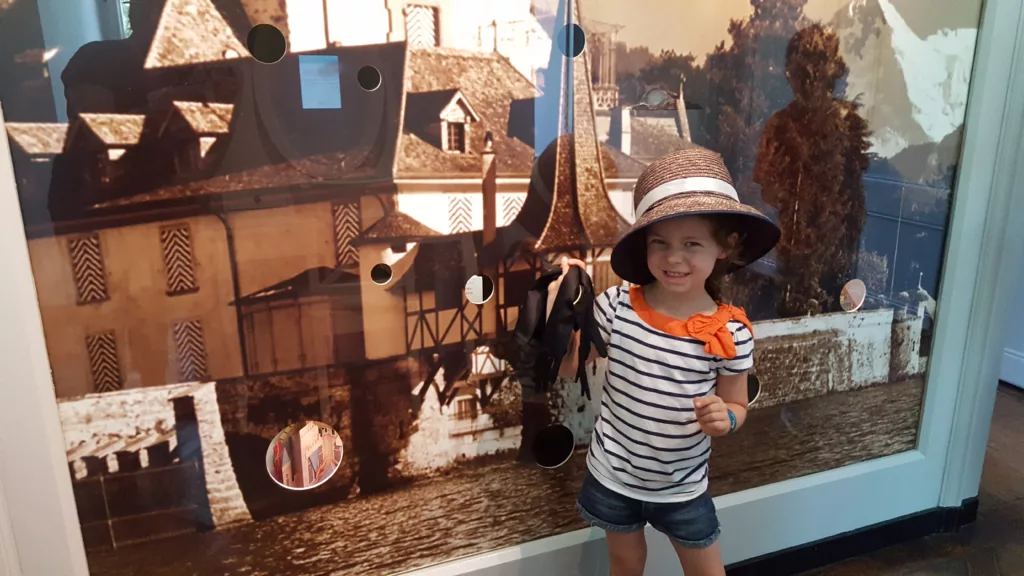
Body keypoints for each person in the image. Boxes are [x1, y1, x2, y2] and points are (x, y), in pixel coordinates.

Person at [550, 147, 780, 576]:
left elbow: (737, 405)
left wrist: (724, 418)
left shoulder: (729, 332)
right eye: (661, 243)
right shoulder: (617, 306)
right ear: (645, 247)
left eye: (691, 244)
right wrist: (561, 308)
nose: (674, 258)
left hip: (684, 487)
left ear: (725, 247)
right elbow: (568, 369)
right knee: (626, 561)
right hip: (614, 475)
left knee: (706, 570)